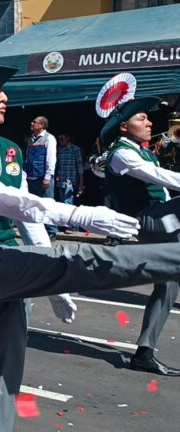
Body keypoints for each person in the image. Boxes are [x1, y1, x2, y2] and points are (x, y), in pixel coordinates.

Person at [0, 65, 180, 432]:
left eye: (2, 91)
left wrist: (54, 287)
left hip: (9, 260)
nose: (4, 98)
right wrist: (81, 215)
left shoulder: (9, 149)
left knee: (8, 358)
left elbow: (27, 215)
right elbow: (0, 198)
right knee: (79, 258)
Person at [101, 96, 180, 376]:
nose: (149, 122)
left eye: (148, 118)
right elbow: (155, 176)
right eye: (141, 119)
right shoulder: (122, 153)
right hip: (145, 219)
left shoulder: (140, 149)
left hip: (163, 218)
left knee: (169, 284)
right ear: (124, 127)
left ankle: (144, 353)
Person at [24, 115, 58, 239]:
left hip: (42, 177)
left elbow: (51, 158)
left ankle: (52, 231)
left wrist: (48, 177)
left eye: (35, 122)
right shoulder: (31, 139)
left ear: (42, 125)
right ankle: (39, 229)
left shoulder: (49, 138)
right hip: (31, 177)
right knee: (34, 204)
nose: (32, 123)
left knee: (47, 204)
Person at [54, 132, 84, 206]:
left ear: (68, 138)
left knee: (68, 201)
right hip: (60, 180)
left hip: (70, 180)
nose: (59, 141)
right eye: (58, 139)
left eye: (61, 139)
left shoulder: (75, 149)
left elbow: (80, 166)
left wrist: (81, 182)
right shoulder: (58, 150)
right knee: (62, 201)